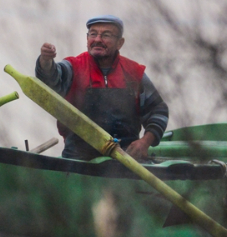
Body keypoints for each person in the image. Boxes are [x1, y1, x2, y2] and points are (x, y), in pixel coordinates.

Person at [36, 15, 169, 161]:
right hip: (77, 163)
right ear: (87, 39)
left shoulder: (134, 73)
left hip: (126, 163)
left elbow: (158, 110)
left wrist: (144, 142)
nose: (98, 39)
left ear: (120, 43)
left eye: (106, 35)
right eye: (93, 34)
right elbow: (51, 79)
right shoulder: (74, 67)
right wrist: (46, 61)